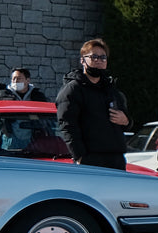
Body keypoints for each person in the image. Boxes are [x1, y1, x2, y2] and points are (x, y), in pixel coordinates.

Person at [56, 38, 130, 169]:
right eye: (94, 57)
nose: (98, 61)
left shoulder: (111, 89)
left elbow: (125, 120)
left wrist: (126, 121)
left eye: (103, 57)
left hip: (116, 158)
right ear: (83, 60)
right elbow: (67, 125)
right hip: (90, 159)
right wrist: (79, 156)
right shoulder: (73, 89)